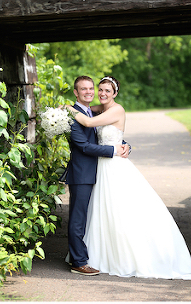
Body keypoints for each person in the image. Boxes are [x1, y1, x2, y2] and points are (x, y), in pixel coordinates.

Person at [67, 76, 191, 280]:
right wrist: (68, 109)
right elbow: (94, 126)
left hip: (112, 166)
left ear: (115, 93)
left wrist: (68, 109)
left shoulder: (114, 110)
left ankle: (125, 257)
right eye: (99, 89)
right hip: (99, 168)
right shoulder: (96, 109)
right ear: (77, 92)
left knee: (123, 212)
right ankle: (88, 258)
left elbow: (90, 123)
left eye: (106, 90)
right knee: (101, 212)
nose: (101, 93)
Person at [65, 75, 129, 276]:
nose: (91, 92)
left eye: (91, 88)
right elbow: (84, 146)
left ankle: (106, 256)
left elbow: (108, 135)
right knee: (78, 218)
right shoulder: (74, 115)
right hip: (82, 173)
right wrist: (113, 150)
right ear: (76, 92)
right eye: (84, 89)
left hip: (101, 171)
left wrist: (124, 146)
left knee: (105, 214)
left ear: (115, 93)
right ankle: (78, 262)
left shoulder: (93, 111)